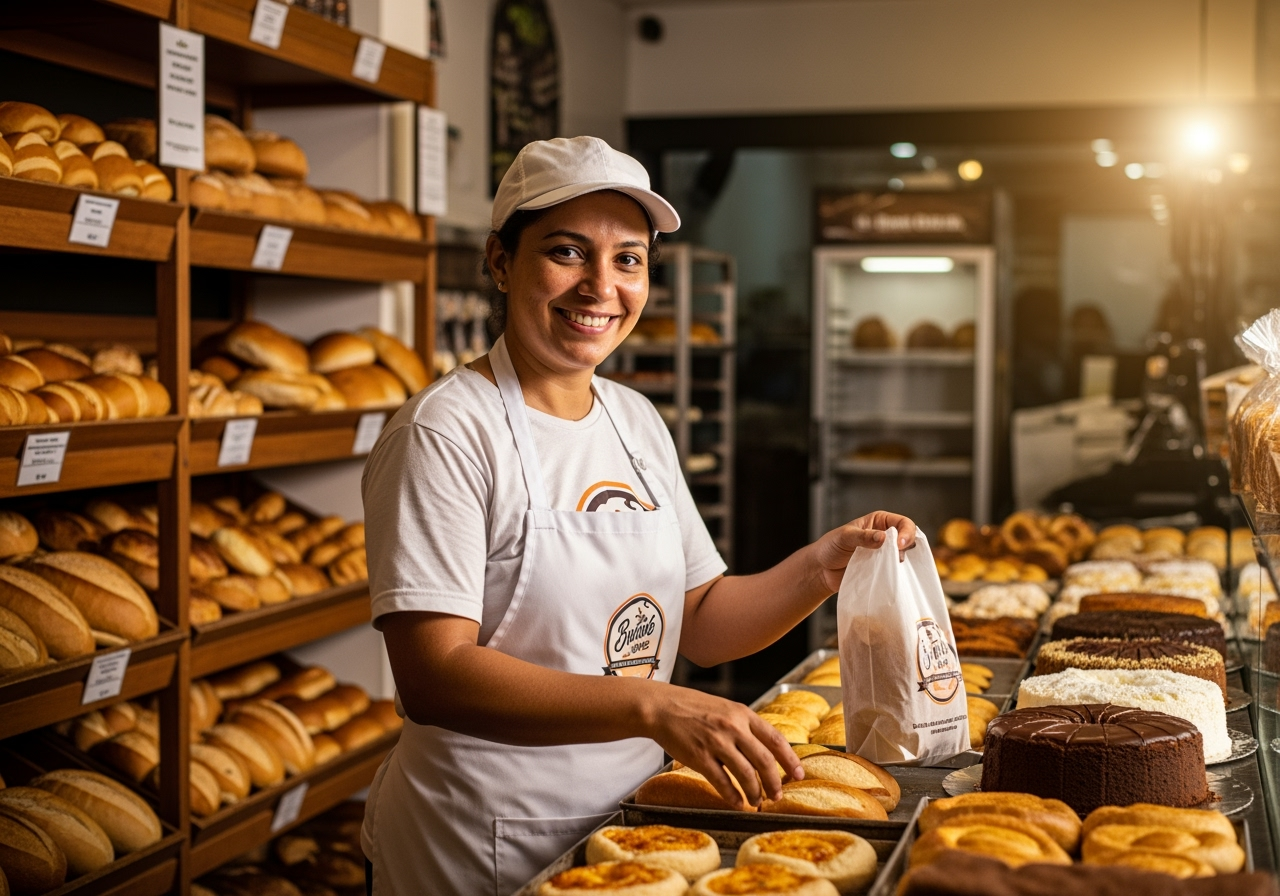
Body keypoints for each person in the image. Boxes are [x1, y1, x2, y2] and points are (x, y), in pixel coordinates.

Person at [359, 136, 917, 895]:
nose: (600, 286)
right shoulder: (446, 433)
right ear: (499, 262)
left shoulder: (634, 419)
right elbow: (436, 674)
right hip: (480, 833)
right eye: (566, 252)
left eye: (628, 259)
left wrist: (823, 565)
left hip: (631, 822)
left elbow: (701, 619)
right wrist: (656, 705)